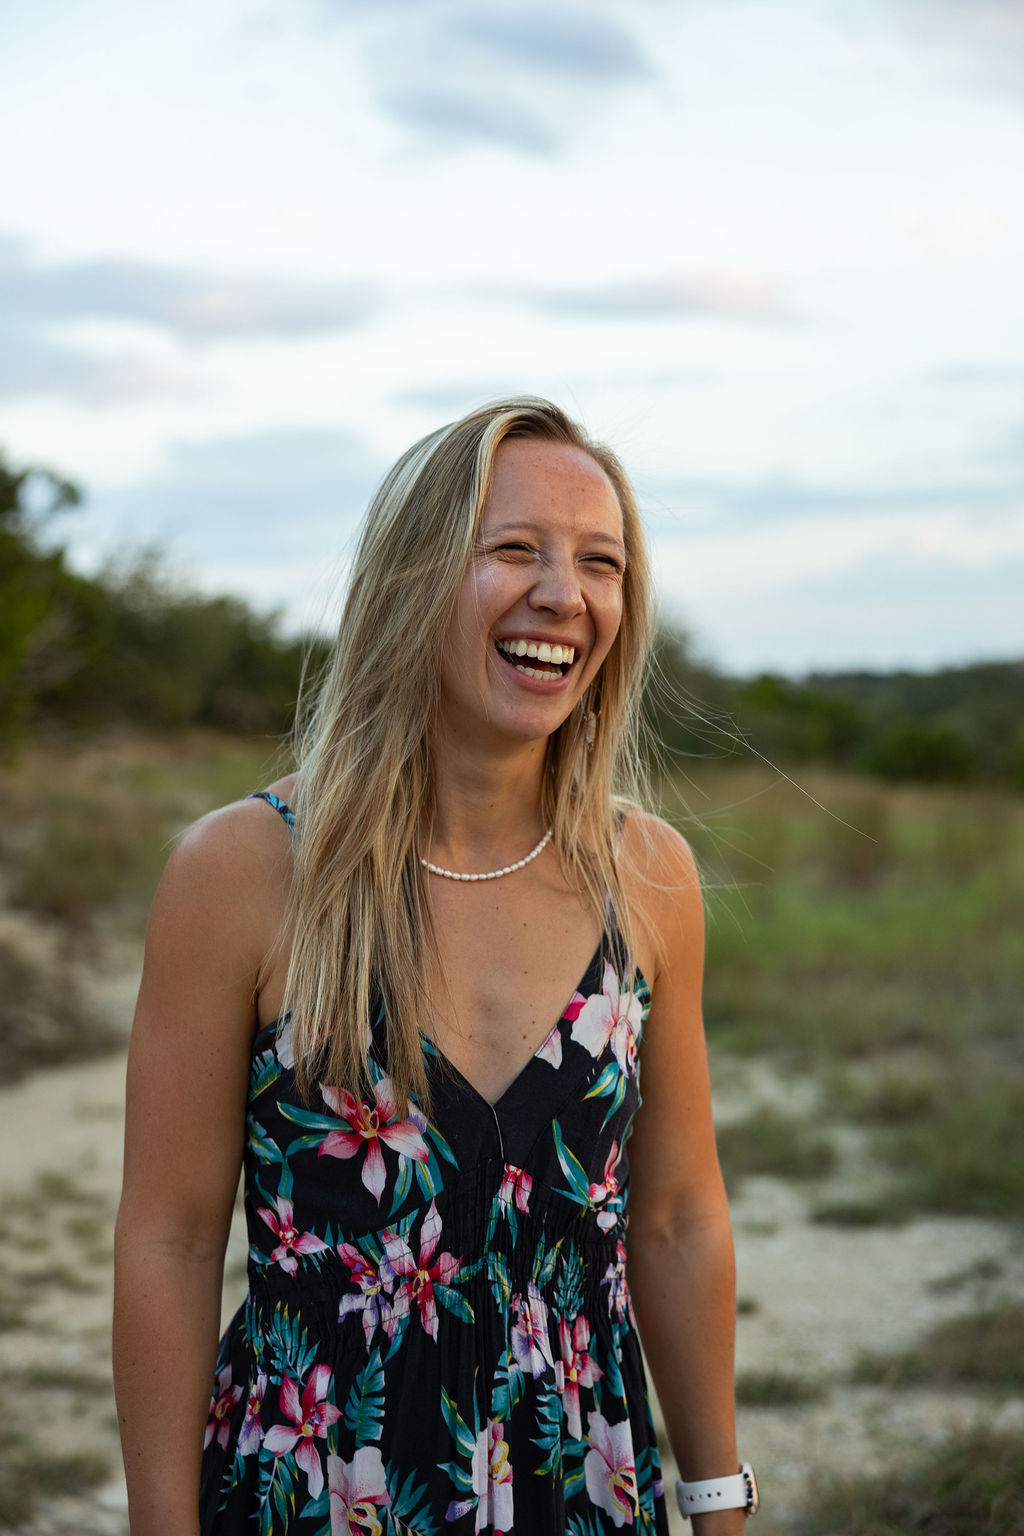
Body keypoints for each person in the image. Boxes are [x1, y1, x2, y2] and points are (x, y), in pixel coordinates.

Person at [113, 398, 753, 1535]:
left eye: (599, 563)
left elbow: (676, 1220)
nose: (564, 593)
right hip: (316, 1487)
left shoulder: (644, 873)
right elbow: (167, 1238)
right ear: (412, 580)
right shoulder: (246, 871)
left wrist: (717, 1499)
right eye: (513, 549)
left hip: (582, 1486)